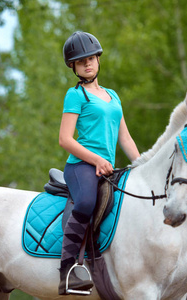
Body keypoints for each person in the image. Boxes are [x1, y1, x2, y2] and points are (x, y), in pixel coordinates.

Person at [58, 31, 140, 295]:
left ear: (98, 59)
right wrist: (95, 159)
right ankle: (68, 270)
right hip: (81, 166)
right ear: (74, 67)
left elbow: (124, 137)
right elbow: (65, 139)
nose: (88, 64)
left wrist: (141, 164)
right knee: (85, 202)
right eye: (82, 62)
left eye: (92, 58)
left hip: (107, 168)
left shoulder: (113, 95)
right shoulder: (75, 96)